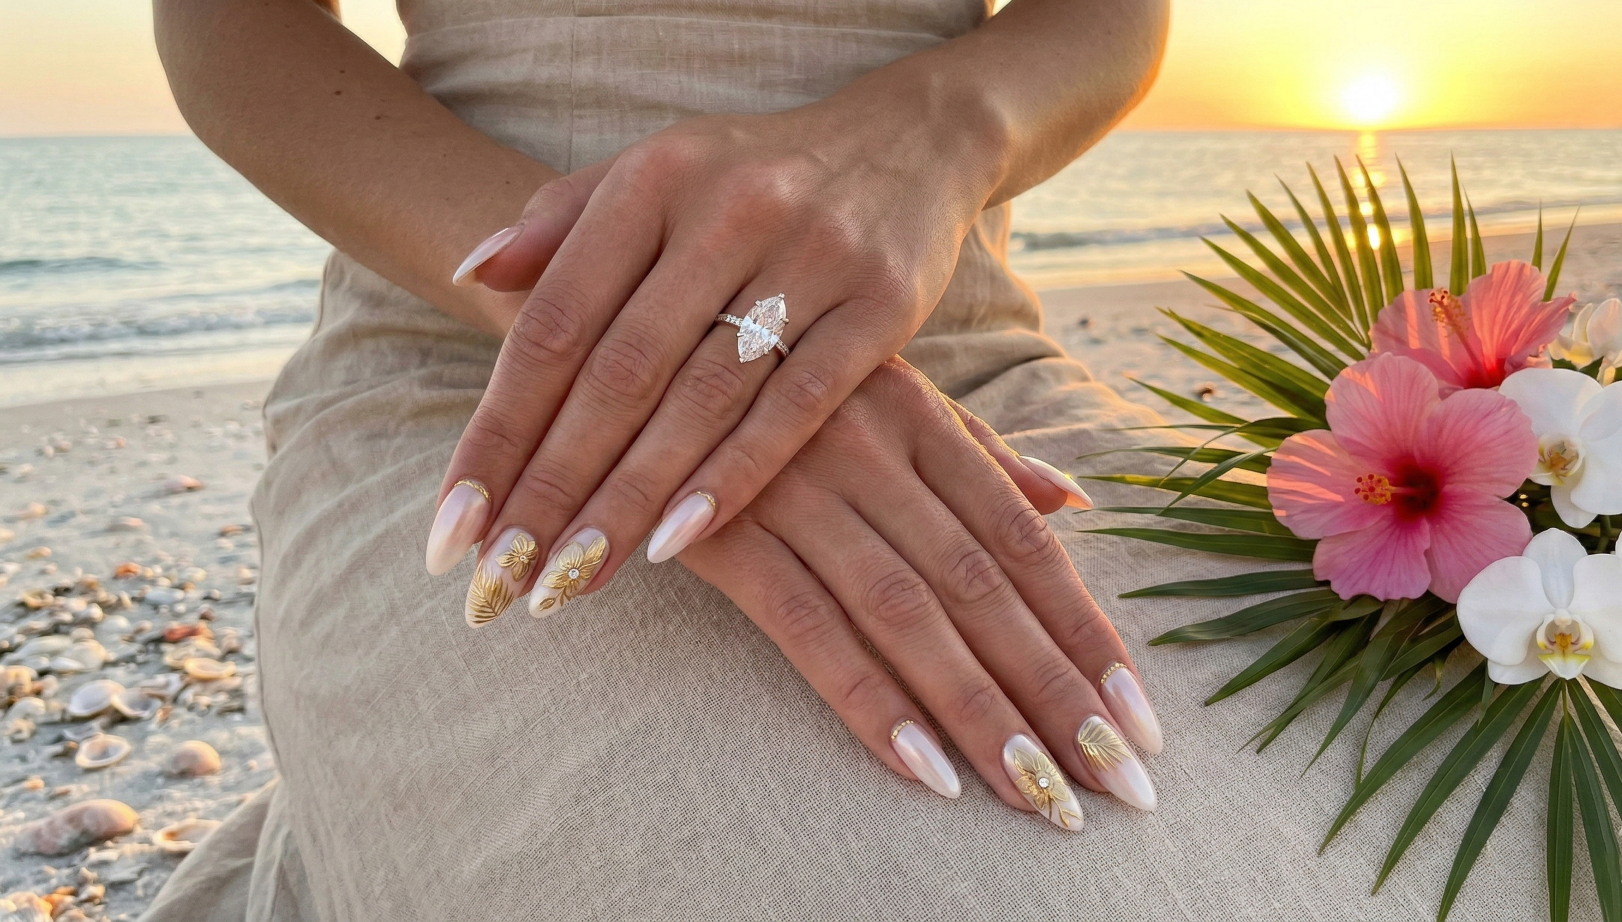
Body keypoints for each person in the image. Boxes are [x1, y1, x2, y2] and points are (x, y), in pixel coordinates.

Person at [140, 0, 1571, 920]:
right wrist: (648, 341)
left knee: (1505, 812)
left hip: (958, 368)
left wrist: (933, 136)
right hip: (488, 373)